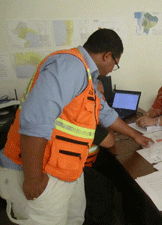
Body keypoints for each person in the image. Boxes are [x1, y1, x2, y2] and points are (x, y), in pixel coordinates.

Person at [0, 28, 152, 225]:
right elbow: (35, 121)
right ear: (107, 56)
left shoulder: (86, 77)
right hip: (41, 171)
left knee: (74, 219)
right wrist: (33, 178)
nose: (113, 69)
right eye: (116, 64)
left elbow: (104, 112)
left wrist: (135, 135)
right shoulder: (70, 66)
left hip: (66, 170)